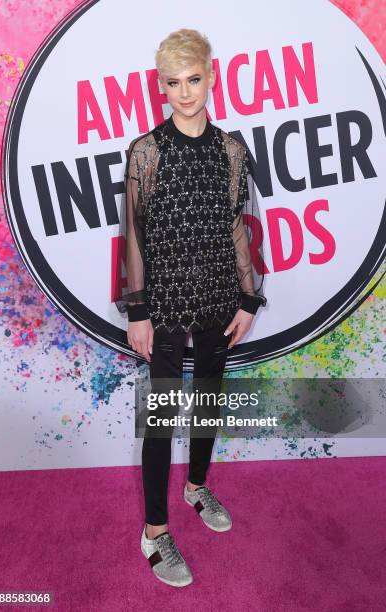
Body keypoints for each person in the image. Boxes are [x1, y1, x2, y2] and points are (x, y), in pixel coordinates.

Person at [115, 28, 266, 587]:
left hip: (219, 301)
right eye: (173, 83)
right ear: (161, 87)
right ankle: (154, 531)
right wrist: (138, 310)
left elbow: (236, 228)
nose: (185, 93)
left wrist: (248, 297)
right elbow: (135, 235)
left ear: (212, 75)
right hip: (163, 306)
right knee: (159, 422)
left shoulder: (231, 150)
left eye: (194, 79)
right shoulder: (146, 152)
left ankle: (197, 487)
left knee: (206, 405)